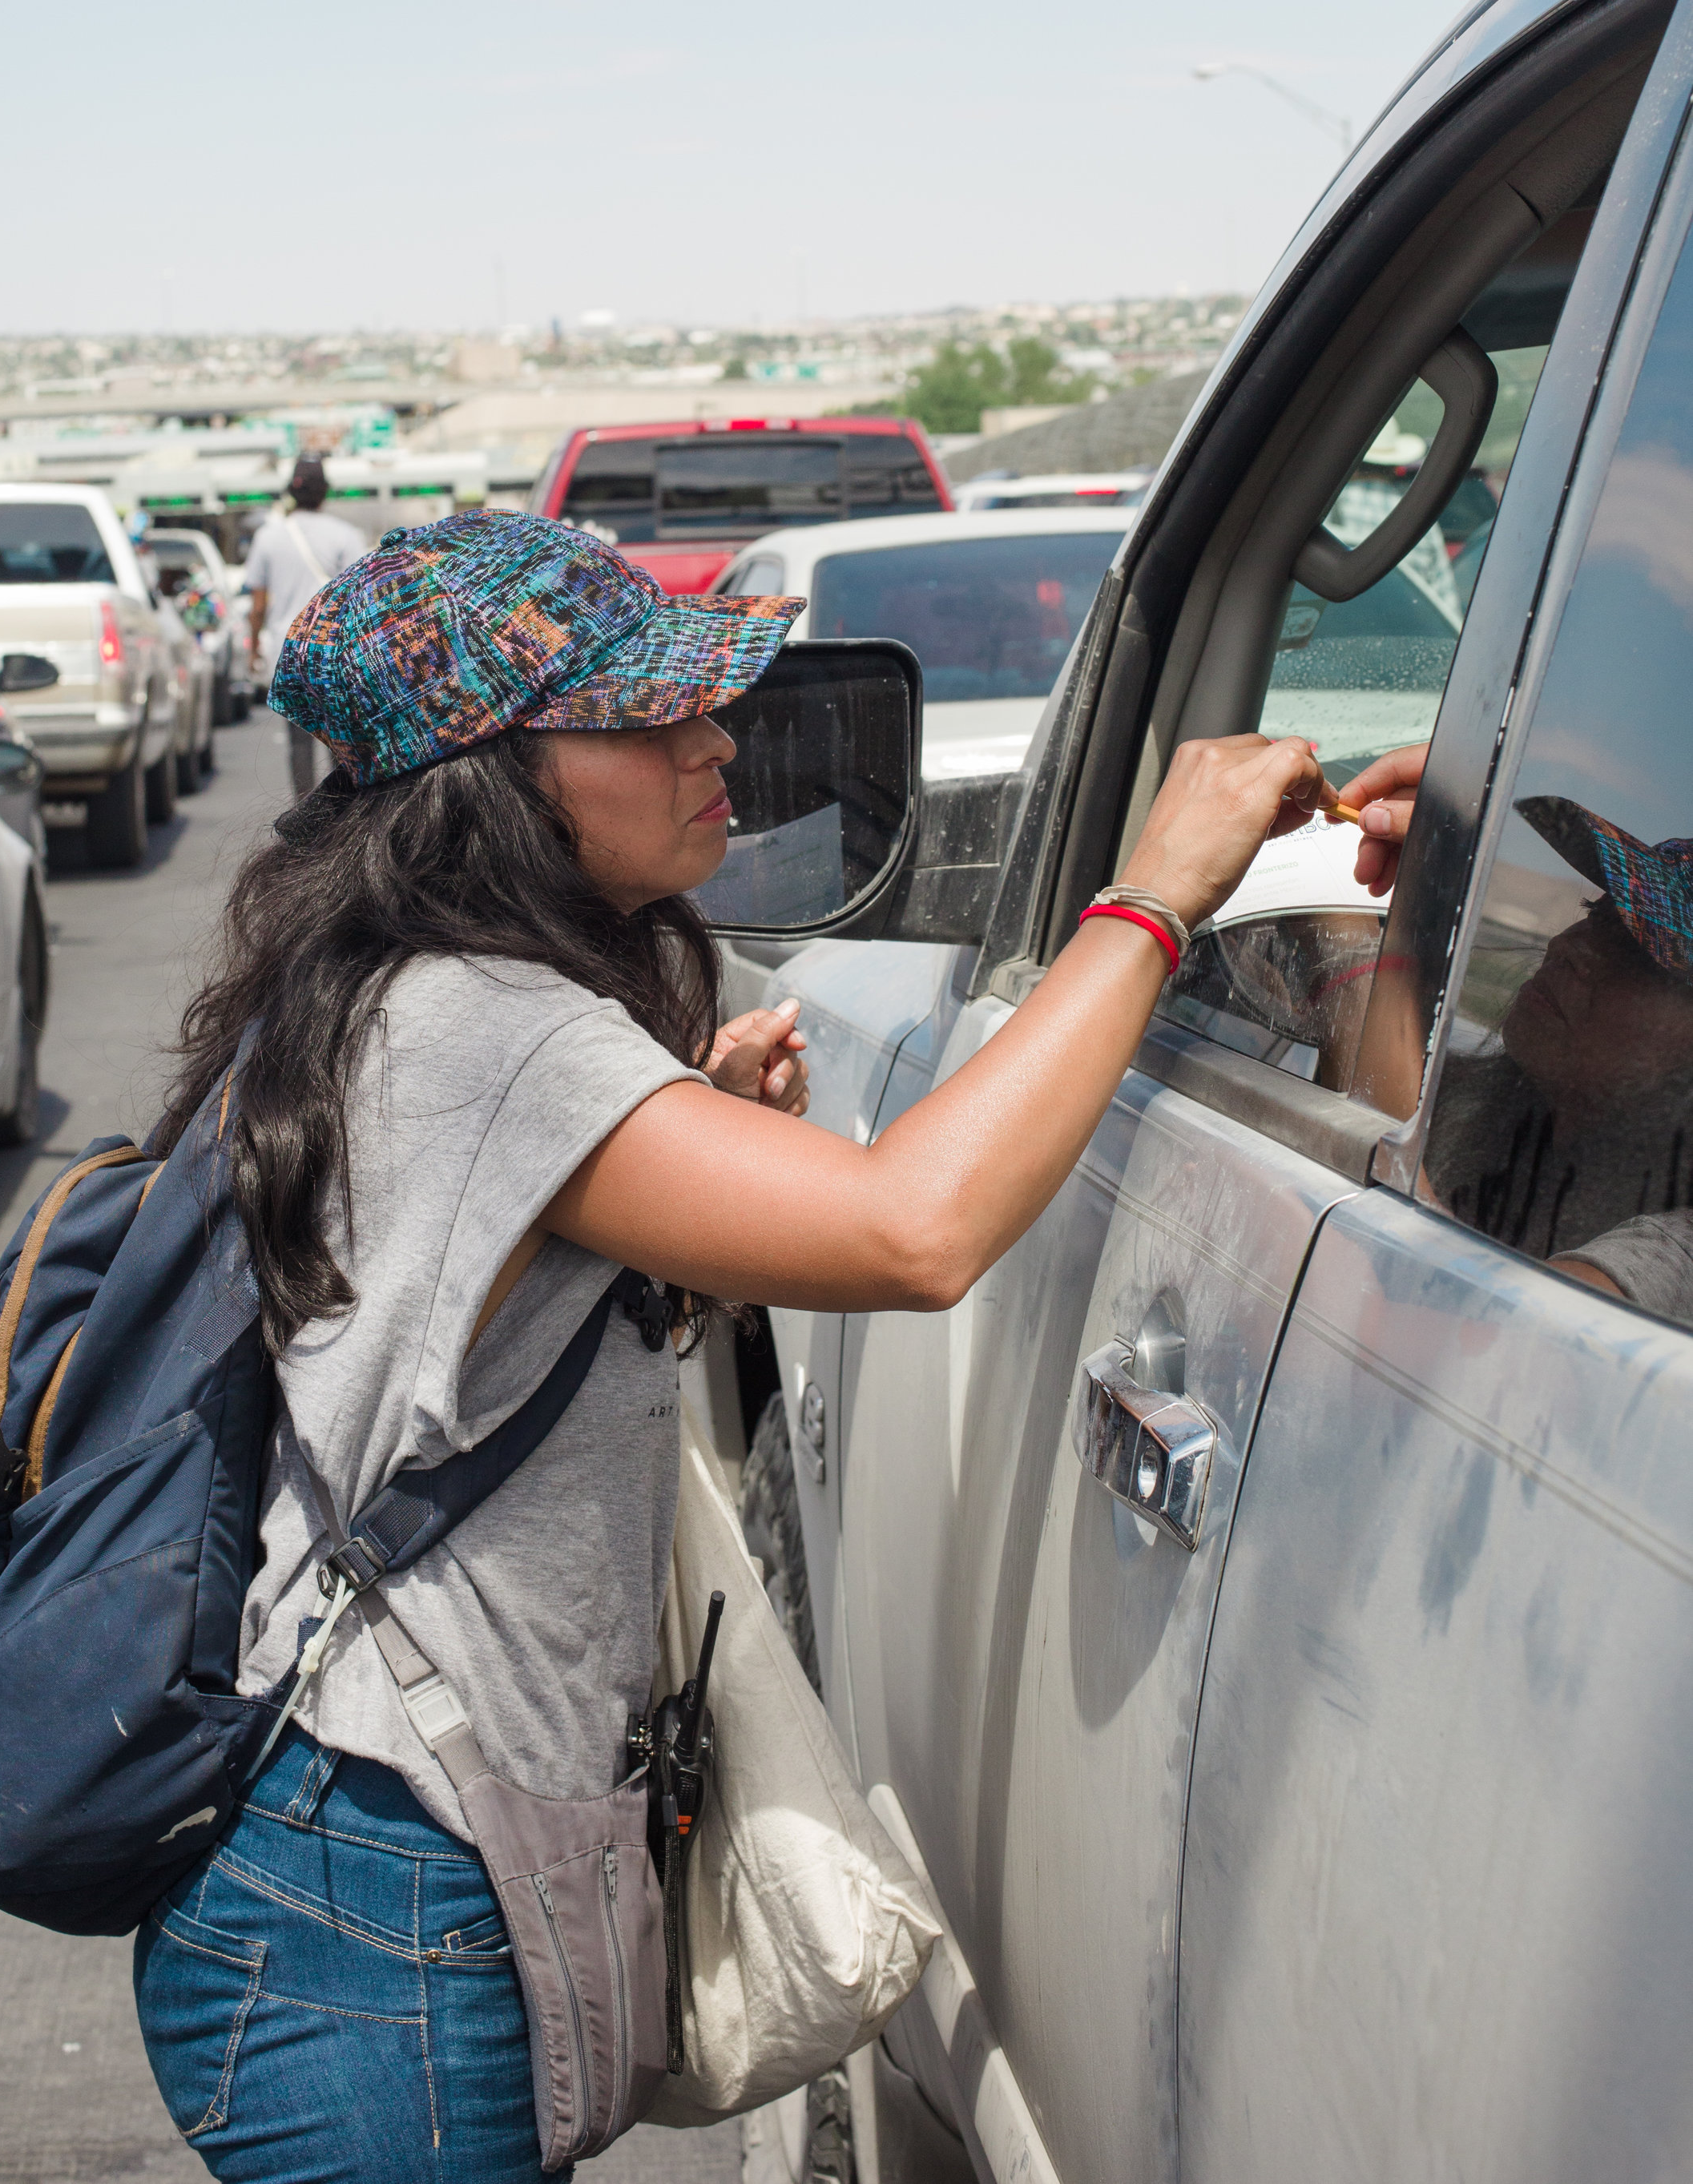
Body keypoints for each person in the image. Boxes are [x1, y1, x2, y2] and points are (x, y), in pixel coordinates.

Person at [131, 509, 1318, 2182]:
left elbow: (466, 1347)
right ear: (492, 777)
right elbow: (914, 1232)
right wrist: (1151, 900)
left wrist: (683, 1171)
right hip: (381, 1906)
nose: (713, 742)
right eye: (645, 716)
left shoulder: (411, 992)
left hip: (375, 1875)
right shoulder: (491, 1029)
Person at [1340, 743, 1693, 1320]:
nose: (1570, 948)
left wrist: (1361, 977)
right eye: (1593, 914)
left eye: (1636, 957)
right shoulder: (1487, 1110)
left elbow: (1472, 1346)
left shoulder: (1675, 1260)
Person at [241, 457, 370, 797]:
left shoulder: (268, 537)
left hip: (288, 650)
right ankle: (339, 822)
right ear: (324, 493)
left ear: (291, 494)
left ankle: (304, 816)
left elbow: (258, 605)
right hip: (333, 651)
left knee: (299, 741)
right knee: (340, 742)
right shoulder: (346, 535)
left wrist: (253, 647)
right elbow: (358, 599)